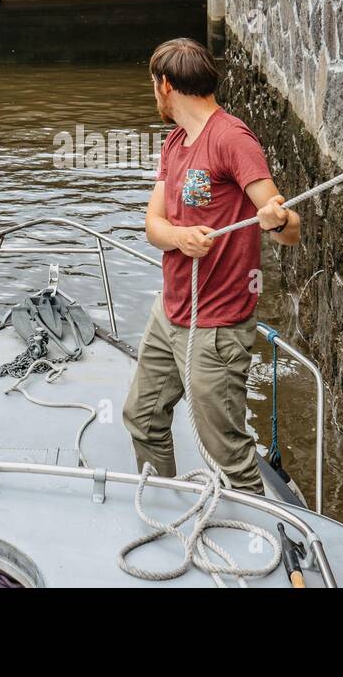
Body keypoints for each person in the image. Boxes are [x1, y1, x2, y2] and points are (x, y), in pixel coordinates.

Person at [123, 38, 301, 494]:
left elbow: (289, 228)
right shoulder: (175, 142)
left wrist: (276, 220)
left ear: (165, 86)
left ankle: (265, 540)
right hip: (172, 312)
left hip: (217, 325)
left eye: (152, 86)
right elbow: (153, 225)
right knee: (142, 417)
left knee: (227, 451)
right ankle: (164, 509)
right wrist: (181, 238)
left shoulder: (232, 139)